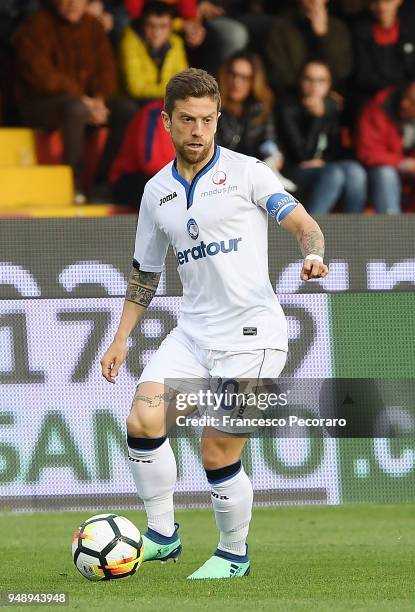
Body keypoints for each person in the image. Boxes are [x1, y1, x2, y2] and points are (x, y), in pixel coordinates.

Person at [101, 68, 328, 580]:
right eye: (187, 120)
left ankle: (233, 553)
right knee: (143, 420)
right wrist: (120, 339)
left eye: (207, 120)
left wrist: (314, 254)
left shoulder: (249, 172)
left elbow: (302, 223)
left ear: (218, 119)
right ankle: (163, 535)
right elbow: (145, 273)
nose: (198, 131)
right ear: (167, 122)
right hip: (193, 333)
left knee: (215, 446)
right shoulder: (156, 191)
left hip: (254, 336)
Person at [13, 0, 136, 202]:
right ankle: (74, 183)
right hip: (40, 103)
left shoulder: (93, 26)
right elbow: (40, 75)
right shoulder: (36, 25)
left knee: (126, 110)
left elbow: (106, 67)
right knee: (76, 109)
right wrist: (81, 98)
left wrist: (99, 99)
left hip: (86, 100)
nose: (72, 4)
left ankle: (103, 182)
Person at [277, 60, 367, 213]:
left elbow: (337, 149)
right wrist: (316, 118)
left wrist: (324, 162)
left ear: (329, 84)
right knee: (334, 174)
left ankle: (355, 232)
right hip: (296, 171)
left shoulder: (331, 107)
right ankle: (311, 233)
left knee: (355, 171)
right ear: (300, 81)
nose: (314, 86)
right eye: (309, 79)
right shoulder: (288, 107)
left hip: (325, 166)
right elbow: (302, 154)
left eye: (321, 80)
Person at [216, 50, 296, 191]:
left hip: (254, 178)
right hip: (221, 179)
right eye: (233, 74)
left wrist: (274, 155)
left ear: (254, 81)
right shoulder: (212, 108)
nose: (237, 82)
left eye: (245, 77)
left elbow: (269, 140)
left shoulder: (260, 109)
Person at [266, 0, 352, 94]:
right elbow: (278, 74)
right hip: (291, 94)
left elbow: (341, 70)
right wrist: (309, 88)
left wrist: (323, 35)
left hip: (329, 94)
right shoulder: (281, 27)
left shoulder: (339, 28)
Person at [355, 81, 415, 213]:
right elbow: (368, 152)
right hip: (373, 174)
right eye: (406, 97)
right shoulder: (379, 107)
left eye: (412, 102)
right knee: (385, 174)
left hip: (408, 182)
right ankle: (393, 230)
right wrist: (403, 164)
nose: (404, 103)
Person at [351, 0, 415, 111]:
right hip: (374, 101)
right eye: (375, 2)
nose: (381, 7)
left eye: (387, 1)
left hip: (409, 97)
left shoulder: (410, 27)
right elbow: (363, 77)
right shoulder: (361, 31)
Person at [119, 1, 188, 102]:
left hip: (168, 99)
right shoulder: (130, 42)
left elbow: (184, 79)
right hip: (138, 101)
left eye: (163, 26)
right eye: (151, 25)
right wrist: (173, 91)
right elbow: (136, 88)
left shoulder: (176, 42)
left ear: (171, 27)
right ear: (143, 24)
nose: (156, 32)